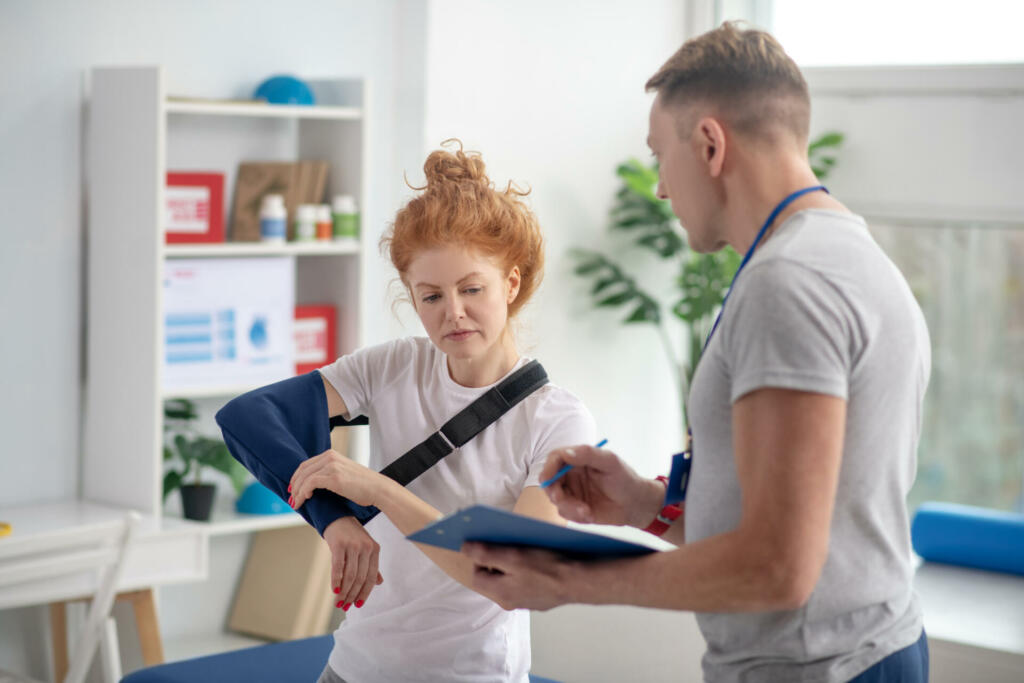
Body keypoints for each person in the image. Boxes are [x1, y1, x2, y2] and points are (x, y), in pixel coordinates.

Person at [462, 22, 931, 683]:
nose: (659, 187)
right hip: (867, 651)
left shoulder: (787, 283)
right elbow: (814, 525)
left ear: (710, 144)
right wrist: (647, 506)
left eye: (660, 155)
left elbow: (777, 567)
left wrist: (568, 578)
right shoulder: (850, 257)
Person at [216, 141, 596, 683]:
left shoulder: (559, 420)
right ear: (412, 298)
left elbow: (513, 574)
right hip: (351, 669)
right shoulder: (395, 365)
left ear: (510, 284)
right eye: (431, 296)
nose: (454, 313)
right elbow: (247, 418)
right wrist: (335, 519)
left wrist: (379, 492)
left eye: (471, 289)